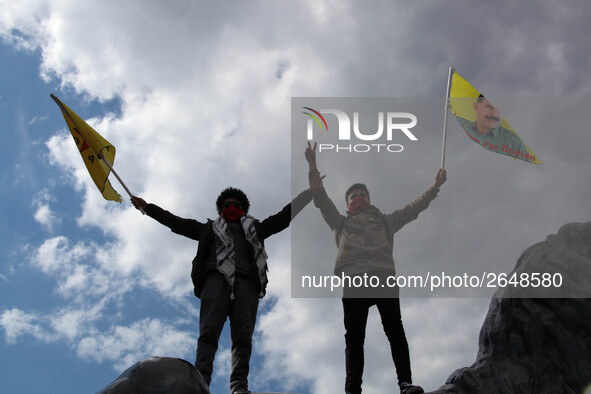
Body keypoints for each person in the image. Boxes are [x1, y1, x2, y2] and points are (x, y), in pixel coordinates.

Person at [131, 186, 314, 394]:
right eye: (227, 205)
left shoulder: (257, 229)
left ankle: (239, 387)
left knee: (242, 339)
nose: (232, 208)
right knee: (208, 334)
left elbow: (283, 217)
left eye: (237, 205)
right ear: (220, 209)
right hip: (215, 281)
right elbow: (177, 223)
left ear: (244, 210)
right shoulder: (207, 229)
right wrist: (148, 208)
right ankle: (200, 383)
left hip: (247, 284)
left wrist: (309, 194)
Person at [305, 142, 447, 394]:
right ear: (348, 204)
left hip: (383, 275)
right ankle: (352, 390)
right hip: (354, 278)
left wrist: (435, 187)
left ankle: (405, 383)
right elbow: (320, 197)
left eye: (362, 196)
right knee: (355, 338)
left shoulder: (385, 220)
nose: (358, 199)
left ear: (369, 200)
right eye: (353, 197)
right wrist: (312, 166)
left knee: (395, 330)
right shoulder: (340, 222)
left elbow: (414, 208)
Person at [455, 94, 525, 153]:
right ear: (476, 107)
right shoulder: (460, 125)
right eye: (489, 107)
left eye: (500, 110)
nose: (494, 114)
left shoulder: (514, 142)